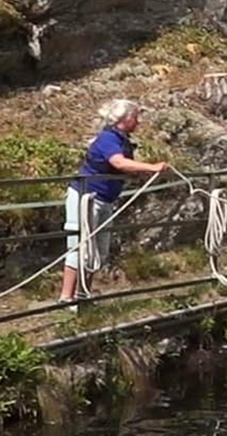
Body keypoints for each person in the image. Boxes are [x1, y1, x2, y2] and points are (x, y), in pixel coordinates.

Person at [59, 100, 168, 304]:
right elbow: (118, 162)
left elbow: (121, 167)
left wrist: (144, 172)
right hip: (87, 197)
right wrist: (151, 167)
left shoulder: (122, 140)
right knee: (79, 246)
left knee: (97, 250)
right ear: (125, 119)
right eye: (135, 117)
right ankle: (66, 297)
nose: (138, 122)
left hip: (105, 199)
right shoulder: (108, 138)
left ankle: (83, 296)